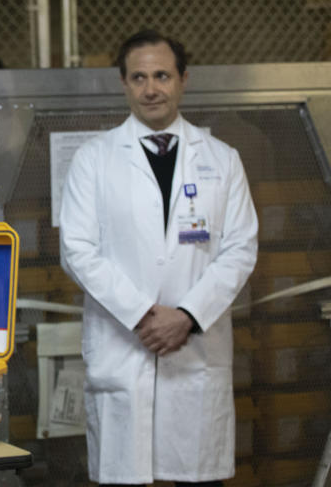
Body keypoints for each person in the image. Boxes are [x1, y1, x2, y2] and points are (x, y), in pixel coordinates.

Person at [58, 29, 258, 486]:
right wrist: (146, 314)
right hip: (126, 341)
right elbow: (77, 250)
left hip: (193, 348)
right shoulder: (94, 159)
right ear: (125, 84)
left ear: (183, 80)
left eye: (162, 76)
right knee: (127, 476)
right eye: (139, 77)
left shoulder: (223, 160)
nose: (151, 88)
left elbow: (241, 247)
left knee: (197, 473)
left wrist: (186, 315)